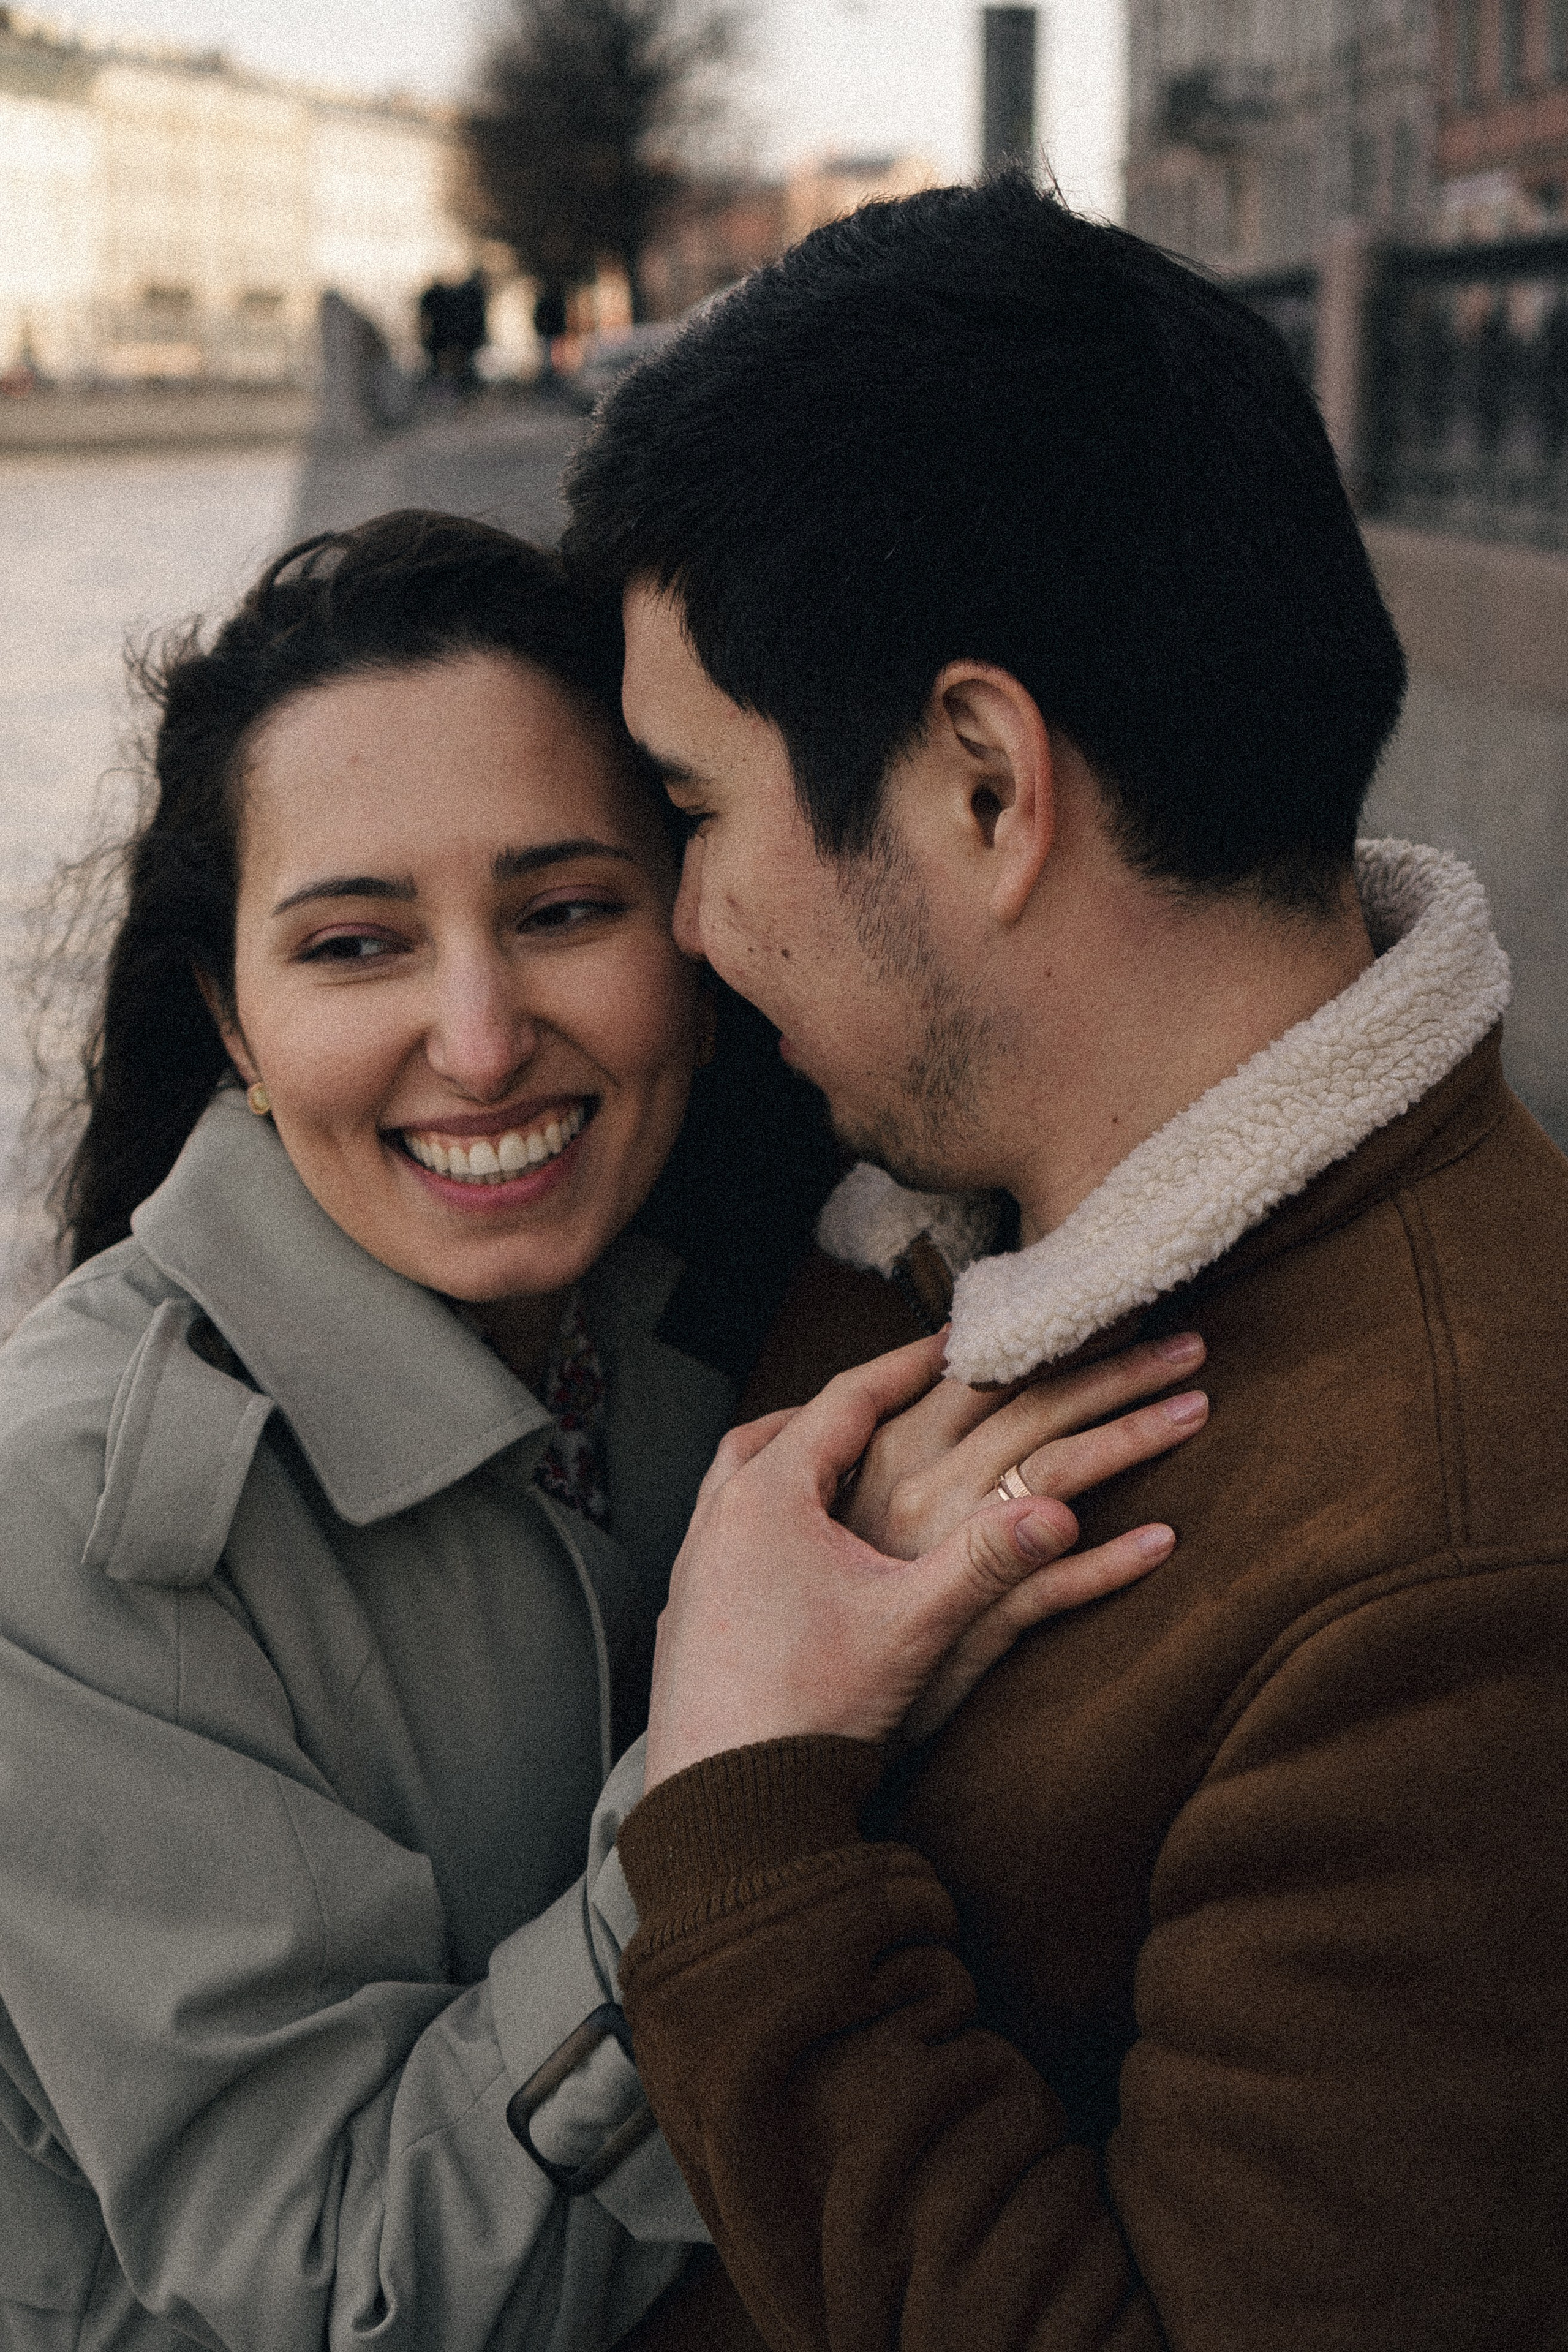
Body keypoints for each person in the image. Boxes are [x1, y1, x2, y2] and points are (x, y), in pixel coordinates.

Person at [0, 508, 1208, 2350]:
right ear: (228, 1024)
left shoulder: (724, 1332)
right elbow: (341, 2288)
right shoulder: (65, 1522)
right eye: (354, 946)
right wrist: (736, 1773)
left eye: (565, 911)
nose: (480, 1042)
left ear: (704, 943)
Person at [560, 175, 1568, 2348]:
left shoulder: (1463, 1573)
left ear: (986, 787)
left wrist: (741, 1821)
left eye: (701, 809)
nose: (693, 929)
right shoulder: (937, 1212)